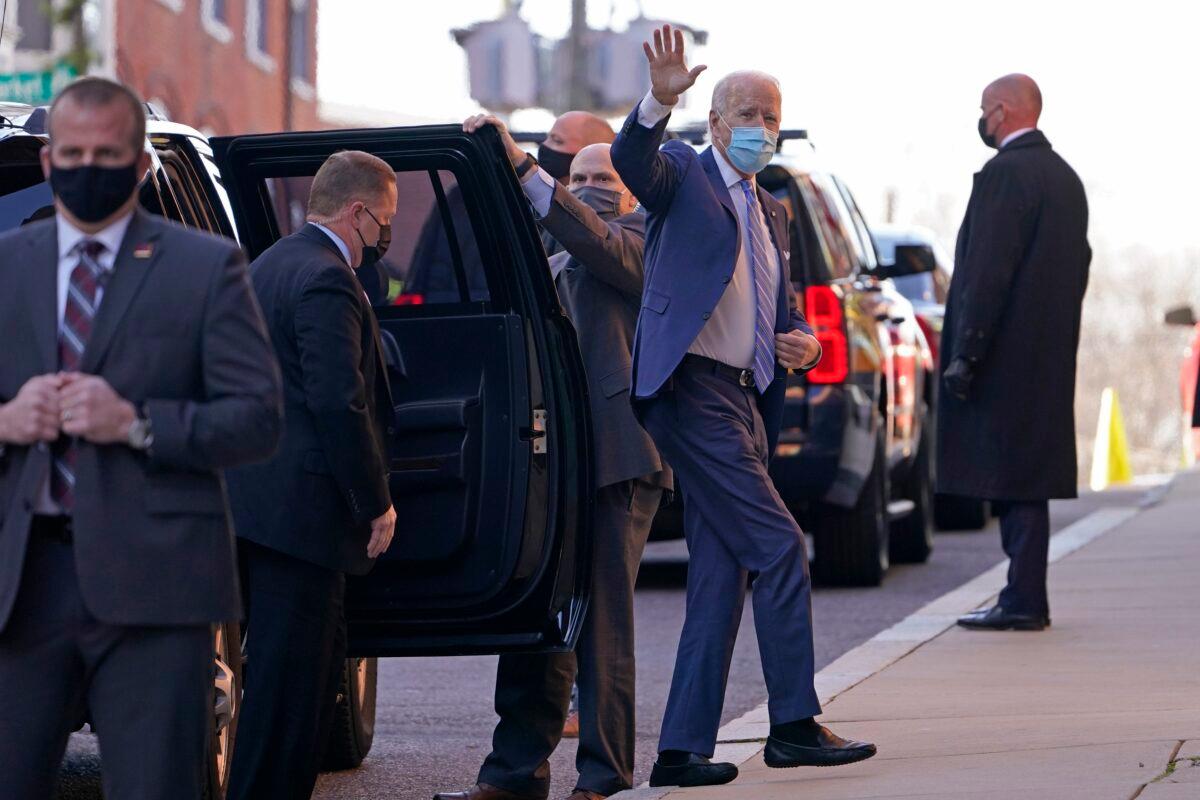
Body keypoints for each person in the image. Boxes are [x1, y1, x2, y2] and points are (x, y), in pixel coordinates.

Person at [610, 25, 878, 787]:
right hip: (691, 393)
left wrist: (807, 346)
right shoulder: (683, 177)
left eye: (773, 114)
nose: (763, 126)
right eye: (749, 112)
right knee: (783, 547)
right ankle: (793, 723)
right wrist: (657, 101)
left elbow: (782, 314)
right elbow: (635, 162)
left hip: (744, 400)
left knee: (722, 577)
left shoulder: (773, 211)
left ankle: (680, 750)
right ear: (717, 123)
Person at [0, 76, 282, 800]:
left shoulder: (206, 267)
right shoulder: (6, 267)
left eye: (107, 154)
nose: (87, 168)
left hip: (158, 584)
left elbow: (257, 415)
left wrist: (137, 423)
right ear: (46, 162)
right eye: (72, 153)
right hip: (21, 581)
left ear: (141, 164)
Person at [433, 116, 671, 800]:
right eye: (583, 178)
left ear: (633, 191)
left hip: (618, 458)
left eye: (607, 178)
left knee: (603, 629)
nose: (593, 187)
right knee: (535, 615)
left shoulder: (645, 239)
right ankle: (512, 772)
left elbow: (599, 246)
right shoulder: (553, 246)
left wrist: (523, 170)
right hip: (551, 458)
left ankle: (603, 777)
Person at [224, 151, 399, 800]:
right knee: (291, 703)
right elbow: (337, 400)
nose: (385, 236)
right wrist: (373, 501)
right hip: (303, 522)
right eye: (384, 221)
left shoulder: (269, 263)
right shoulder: (327, 277)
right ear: (356, 213)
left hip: (255, 509)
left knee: (275, 694)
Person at [945, 74, 1091, 632]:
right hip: (1047, 354)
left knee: (1010, 474)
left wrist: (967, 352)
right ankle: (1022, 592)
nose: (981, 120)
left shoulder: (1004, 175)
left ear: (1003, 111)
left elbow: (986, 272)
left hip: (1001, 355)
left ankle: (1024, 599)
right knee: (1030, 470)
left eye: (984, 110)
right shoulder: (1065, 179)